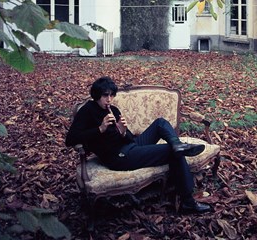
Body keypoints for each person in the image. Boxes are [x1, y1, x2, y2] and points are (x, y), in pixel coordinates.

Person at [66, 76, 211, 214]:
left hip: (131, 145)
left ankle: (177, 144)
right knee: (172, 152)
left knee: (160, 123)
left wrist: (123, 132)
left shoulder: (114, 110)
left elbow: (128, 137)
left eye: (111, 95)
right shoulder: (87, 111)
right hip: (119, 156)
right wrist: (100, 129)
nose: (109, 99)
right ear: (97, 95)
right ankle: (187, 201)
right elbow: (70, 139)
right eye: (105, 95)